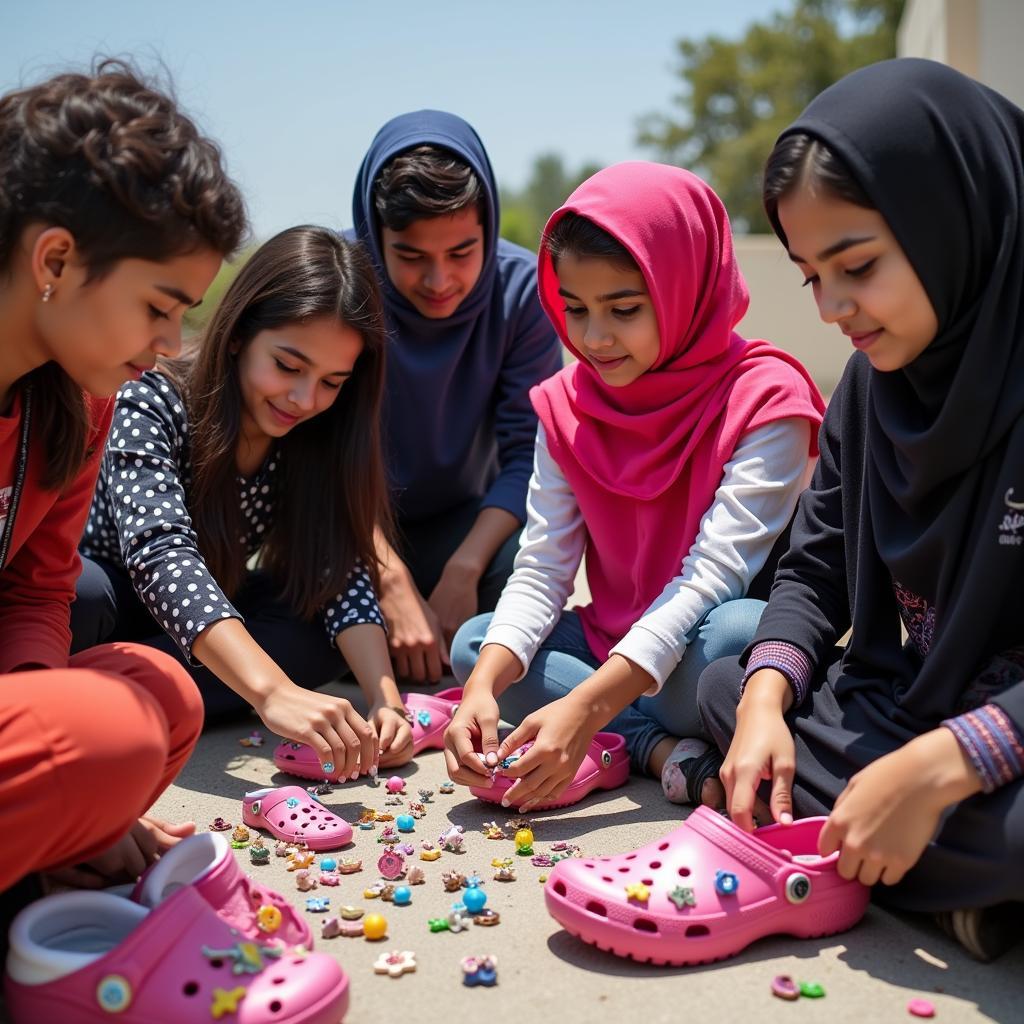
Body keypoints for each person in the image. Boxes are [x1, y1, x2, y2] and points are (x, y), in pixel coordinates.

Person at [696, 58, 1024, 961]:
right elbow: (814, 566)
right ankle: (959, 889)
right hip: (907, 705)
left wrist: (943, 766)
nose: (834, 307)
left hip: (1000, 735)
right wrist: (766, 701)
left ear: (949, 221)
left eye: (859, 265)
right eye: (810, 276)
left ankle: (892, 849)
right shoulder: (872, 388)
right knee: (729, 690)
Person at [444, 162, 825, 812]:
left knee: (741, 633)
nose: (592, 338)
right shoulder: (566, 406)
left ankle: (613, 735)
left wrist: (587, 706)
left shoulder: (766, 399)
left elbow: (714, 576)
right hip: (606, 646)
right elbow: (542, 569)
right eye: (575, 308)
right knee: (477, 647)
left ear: (684, 288)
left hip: (704, 657)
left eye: (623, 309)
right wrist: (480, 688)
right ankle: (659, 750)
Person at [0, 60, 245, 901]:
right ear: (56, 260)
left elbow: (37, 593)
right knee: (110, 732)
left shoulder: (77, 400)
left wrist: (50, 754)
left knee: (163, 692)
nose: (174, 344)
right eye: (158, 307)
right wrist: (69, 754)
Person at [71, 225, 415, 774]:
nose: (304, 399)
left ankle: (116, 694)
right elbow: (161, 553)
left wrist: (385, 701)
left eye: (332, 382)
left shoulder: (314, 435)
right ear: (238, 335)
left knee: (321, 630)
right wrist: (273, 691)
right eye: (288, 366)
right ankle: (108, 696)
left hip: (210, 626)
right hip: (118, 602)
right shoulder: (152, 397)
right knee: (78, 594)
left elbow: (338, 564)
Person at [352, 111, 563, 683]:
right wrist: (389, 579)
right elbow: (312, 453)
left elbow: (529, 454)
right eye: (412, 256)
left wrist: (464, 569)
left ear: (488, 228)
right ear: (375, 234)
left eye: (462, 253)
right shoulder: (340, 282)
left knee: (523, 570)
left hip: (465, 526)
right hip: (346, 524)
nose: (439, 280)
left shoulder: (523, 292)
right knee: (308, 619)